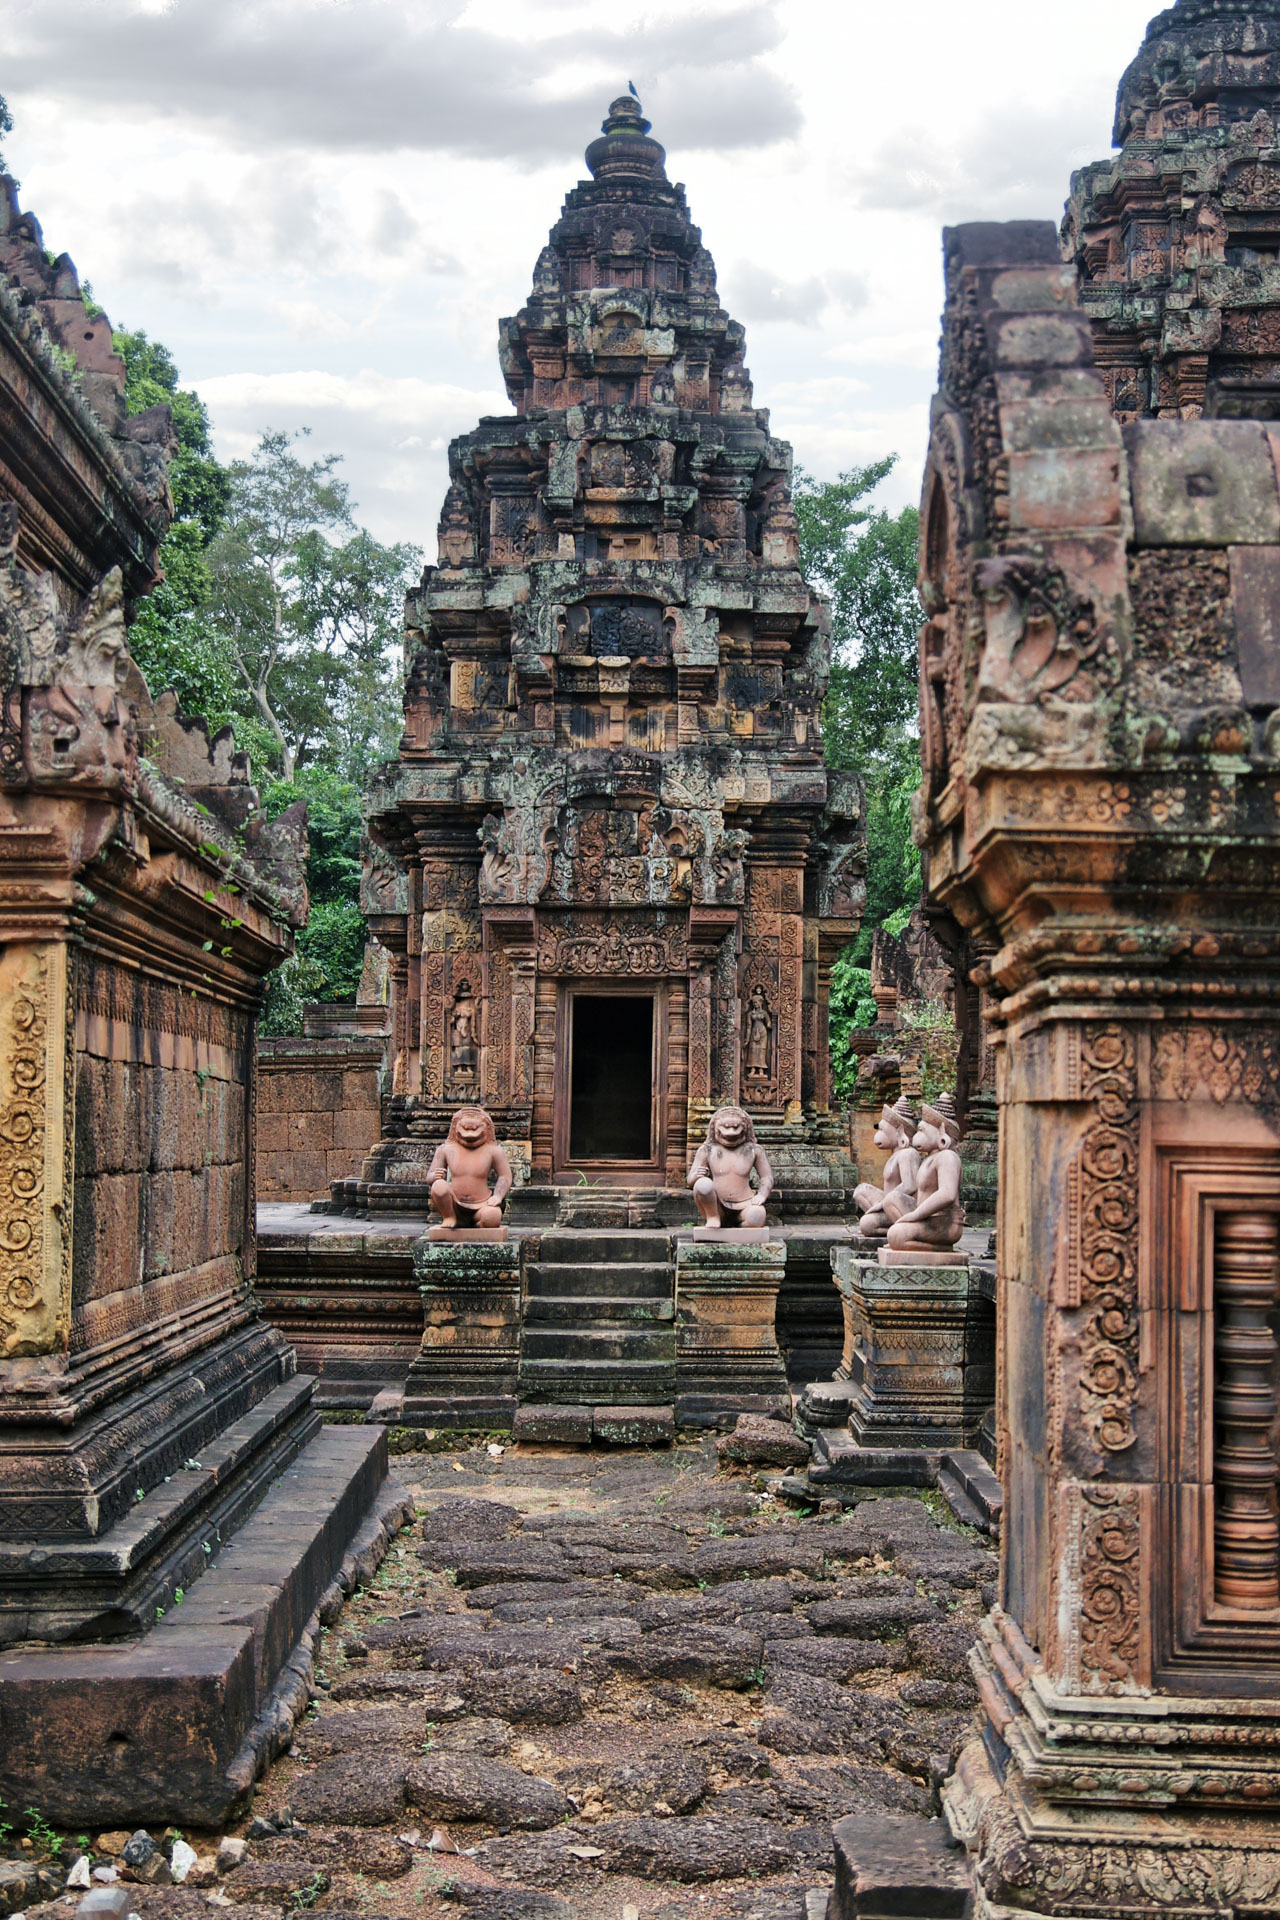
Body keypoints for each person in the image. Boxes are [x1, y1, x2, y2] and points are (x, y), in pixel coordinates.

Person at [885, 1095, 965, 1253]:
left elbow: (947, 1194)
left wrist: (915, 1215)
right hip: (927, 1217)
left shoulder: (947, 1157)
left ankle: (936, 1247)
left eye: (922, 1130)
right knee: (891, 1199)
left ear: (941, 1133)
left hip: (944, 1222)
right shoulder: (929, 1158)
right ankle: (907, 1239)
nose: (915, 1136)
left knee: (895, 1235)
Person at [687, 1105, 774, 1229]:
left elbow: (766, 1177)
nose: (731, 1132)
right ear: (715, 1127)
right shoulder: (707, 1150)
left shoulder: (755, 1150)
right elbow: (690, 1181)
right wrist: (695, 1176)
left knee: (757, 1217)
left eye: (736, 1127)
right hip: (716, 1204)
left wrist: (762, 1195)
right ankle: (713, 1217)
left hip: (746, 1203)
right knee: (703, 1185)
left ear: (746, 1127)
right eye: (726, 1127)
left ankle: (741, 1227)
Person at [427, 1106, 512, 1231]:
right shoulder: (445, 1149)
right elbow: (429, 1177)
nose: (470, 1134)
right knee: (438, 1186)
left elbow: (505, 1176)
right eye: (465, 1128)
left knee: (493, 1216)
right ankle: (449, 1217)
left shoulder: (494, 1151)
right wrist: (434, 1176)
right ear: (455, 1127)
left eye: (476, 1128)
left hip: (482, 1205)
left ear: (487, 1128)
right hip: (453, 1204)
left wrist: (498, 1196)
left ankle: (477, 1223)